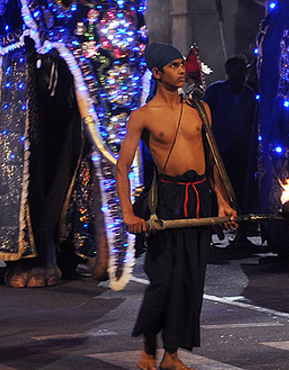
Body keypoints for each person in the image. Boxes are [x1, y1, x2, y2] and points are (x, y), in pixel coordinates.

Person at [116, 42, 237, 370]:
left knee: (190, 280)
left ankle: (172, 355)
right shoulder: (142, 117)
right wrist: (128, 213)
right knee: (163, 279)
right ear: (157, 73)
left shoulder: (201, 109)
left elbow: (212, 162)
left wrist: (223, 203)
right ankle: (148, 347)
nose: (181, 69)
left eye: (181, 64)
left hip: (199, 199)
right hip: (166, 201)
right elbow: (122, 167)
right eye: (173, 65)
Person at [203, 55, 257, 205]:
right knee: (219, 186)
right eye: (236, 71)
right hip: (221, 149)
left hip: (243, 150)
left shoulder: (249, 94)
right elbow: (205, 119)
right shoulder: (215, 91)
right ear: (228, 72)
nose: (240, 76)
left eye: (242, 72)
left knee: (242, 186)